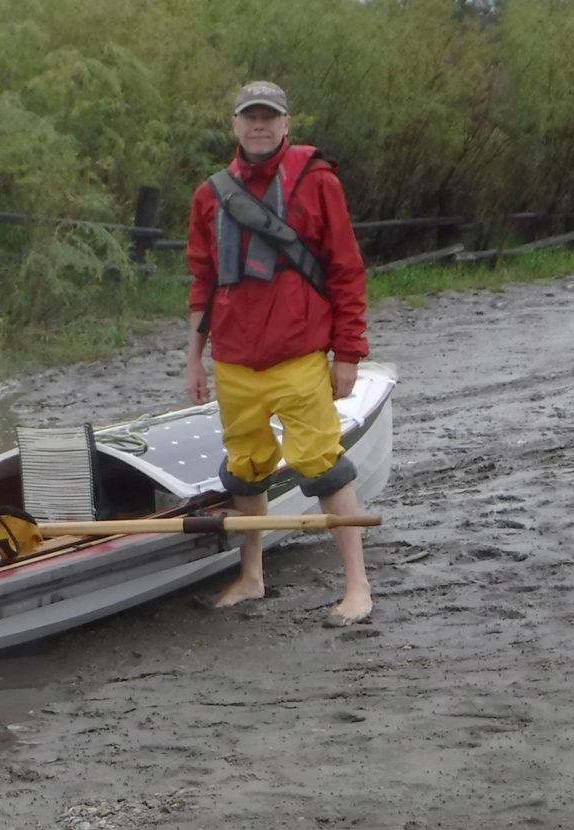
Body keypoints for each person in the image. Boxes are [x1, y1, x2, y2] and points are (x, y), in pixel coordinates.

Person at [182, 80, 373, 626]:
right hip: (235, 362)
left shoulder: (318, 182)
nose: (259, 125)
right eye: (249, 117)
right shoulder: (209, 196)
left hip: (299, 356)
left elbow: (345, 270)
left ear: (287, 124)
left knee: (324, 465)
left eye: (269, 116)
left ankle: (357, 587)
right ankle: (252, 577)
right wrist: (195, 358)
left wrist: (349, 354)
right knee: (245, 469)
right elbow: (203, 282)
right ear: (235, 126)